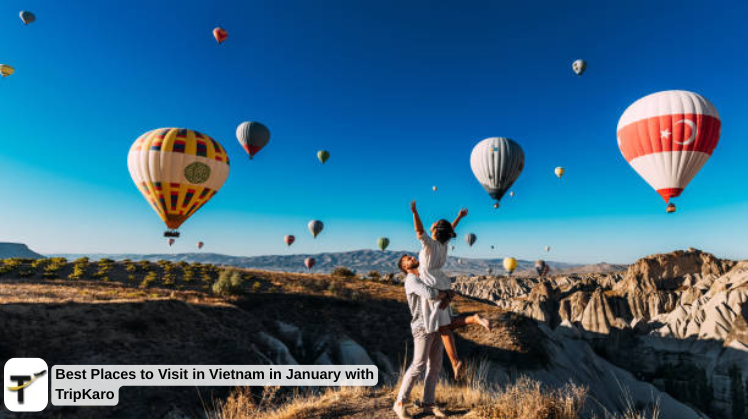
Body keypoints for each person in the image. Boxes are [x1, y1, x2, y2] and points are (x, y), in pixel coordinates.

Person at [410, 200, 491, 380]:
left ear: (435, 231)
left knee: (442, 327)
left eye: (434, 224)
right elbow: (449, 229)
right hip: (442, 282)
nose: (432, 224)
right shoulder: (443, 244)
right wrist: (459, 218)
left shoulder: (430, 244)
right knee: (445, 326)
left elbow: (419, 230)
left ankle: (455, 360)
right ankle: (456, 360)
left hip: (431, 285)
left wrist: (414, 212)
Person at [393, 254, 448, 419]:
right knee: (418, 365)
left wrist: (444, 293)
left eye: (410, 256)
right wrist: (443, 293)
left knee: (435, 366)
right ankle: (400, 403)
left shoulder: (423, 277)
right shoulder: (411, 280)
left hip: (434, 325)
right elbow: (430, 294)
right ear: (405, 267)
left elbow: (436, 290)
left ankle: (428, 404)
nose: (412, 257)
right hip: (422, 327)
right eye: (407, 259)